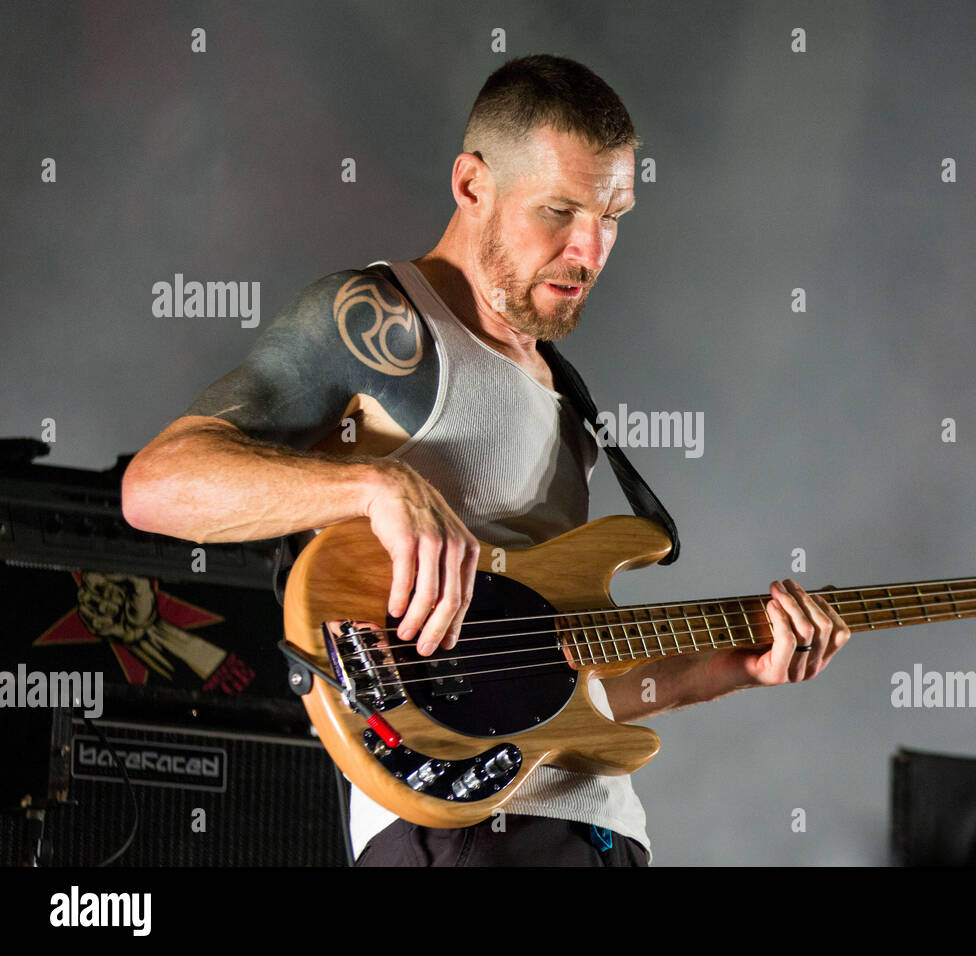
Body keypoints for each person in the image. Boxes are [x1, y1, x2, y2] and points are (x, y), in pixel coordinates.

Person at [121, 54, 852, 866]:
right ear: (472, 185)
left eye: (613, 215)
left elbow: (576, 691)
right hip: (461, 835)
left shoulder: (562, 397)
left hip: (602, 833)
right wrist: (376, 483)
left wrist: (739, 665)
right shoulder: (383, 322)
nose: (591, 249)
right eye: (560, 210)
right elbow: (157, 485)